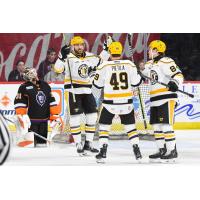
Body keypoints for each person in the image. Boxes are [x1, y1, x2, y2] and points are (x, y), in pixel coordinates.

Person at [54, 35, 112, 155]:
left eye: (81, 45)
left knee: (92, 116)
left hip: (87, 90)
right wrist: (61, 56)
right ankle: (78, 144)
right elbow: (57, 69)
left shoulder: (90, 55)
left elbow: (101, 60)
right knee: (75, 118)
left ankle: (88, 144)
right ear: (72, 46)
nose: (80, 47)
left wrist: (106, 49)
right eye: (77, 45)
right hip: (73, 91)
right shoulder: (67, 57)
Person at [93, 41, 143, 163]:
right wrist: (139, 74)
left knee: (104, 127)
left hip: (110, 103)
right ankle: (137, 151)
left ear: (110, 53)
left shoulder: (104, 66)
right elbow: (137, 83)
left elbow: (96, 85)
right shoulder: (129, 64)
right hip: (126, 103)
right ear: (120, 52)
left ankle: (103, 151)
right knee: (131, 128)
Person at [139, 40, 184, 162]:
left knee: (165, 125)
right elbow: (147, 74)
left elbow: (178, 75)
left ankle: (172, 151)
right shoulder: (150, 64)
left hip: (166, 98)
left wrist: (174, 83)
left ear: (156, 50)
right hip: (154, 100)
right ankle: (162, 150)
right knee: (156, 126)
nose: (148, 51)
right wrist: (141, 69)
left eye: (150, 49)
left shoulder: (166, 61)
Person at [14, 66, 63, 147]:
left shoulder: (45, 85)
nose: (35, 74)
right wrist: (21, 115)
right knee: (32, 145)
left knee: (42, 145)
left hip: (44, 121)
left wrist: (55, 115)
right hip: (31, 122)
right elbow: (20, 103)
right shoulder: (23, 87)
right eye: (32, 73)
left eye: (34, 72)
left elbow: (51, 101)